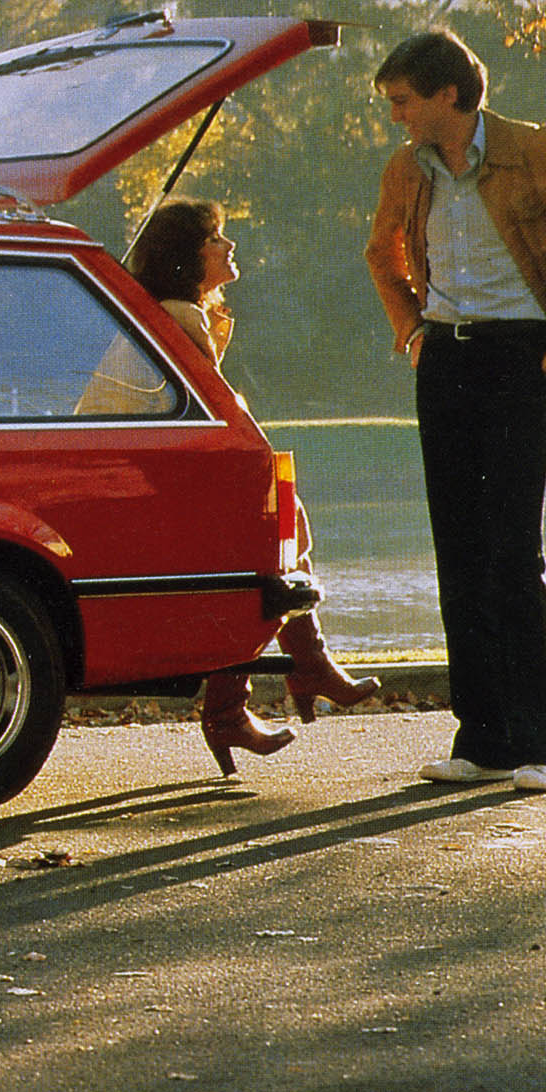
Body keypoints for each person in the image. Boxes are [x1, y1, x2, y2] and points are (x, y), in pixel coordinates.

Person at [365, 29, 546, 795]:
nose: (396, 116)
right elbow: (380, 253)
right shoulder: (407, 169)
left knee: (513, 551)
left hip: (522, 355)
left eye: (403, 101)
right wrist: (411, 328)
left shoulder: (538, 149)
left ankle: (539, 744)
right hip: (445, 356)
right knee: (458, 547)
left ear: (448, 94)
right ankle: (480, 738)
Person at [129, 198, 380, 778]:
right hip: (154, 495)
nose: (228, 245)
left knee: (277, 533)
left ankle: (268, 689)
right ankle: (280, 682)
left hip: (152, 486)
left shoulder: (169, 313)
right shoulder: (180, 319)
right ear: (188, 257)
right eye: (216, 238)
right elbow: (217, 421)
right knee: (267, 547)